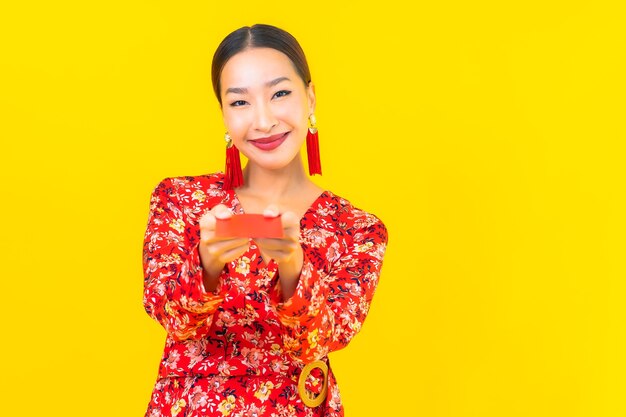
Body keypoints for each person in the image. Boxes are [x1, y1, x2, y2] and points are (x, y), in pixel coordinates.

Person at [142, 24, 388, 417]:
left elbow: (331, 336)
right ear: (222, 112)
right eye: (240, 102)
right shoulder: (182, 200)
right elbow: (169, 315)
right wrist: (207, 265)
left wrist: (293, 269)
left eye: (280, 94)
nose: (263, 120)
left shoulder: (357, 228)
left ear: (309, 97)